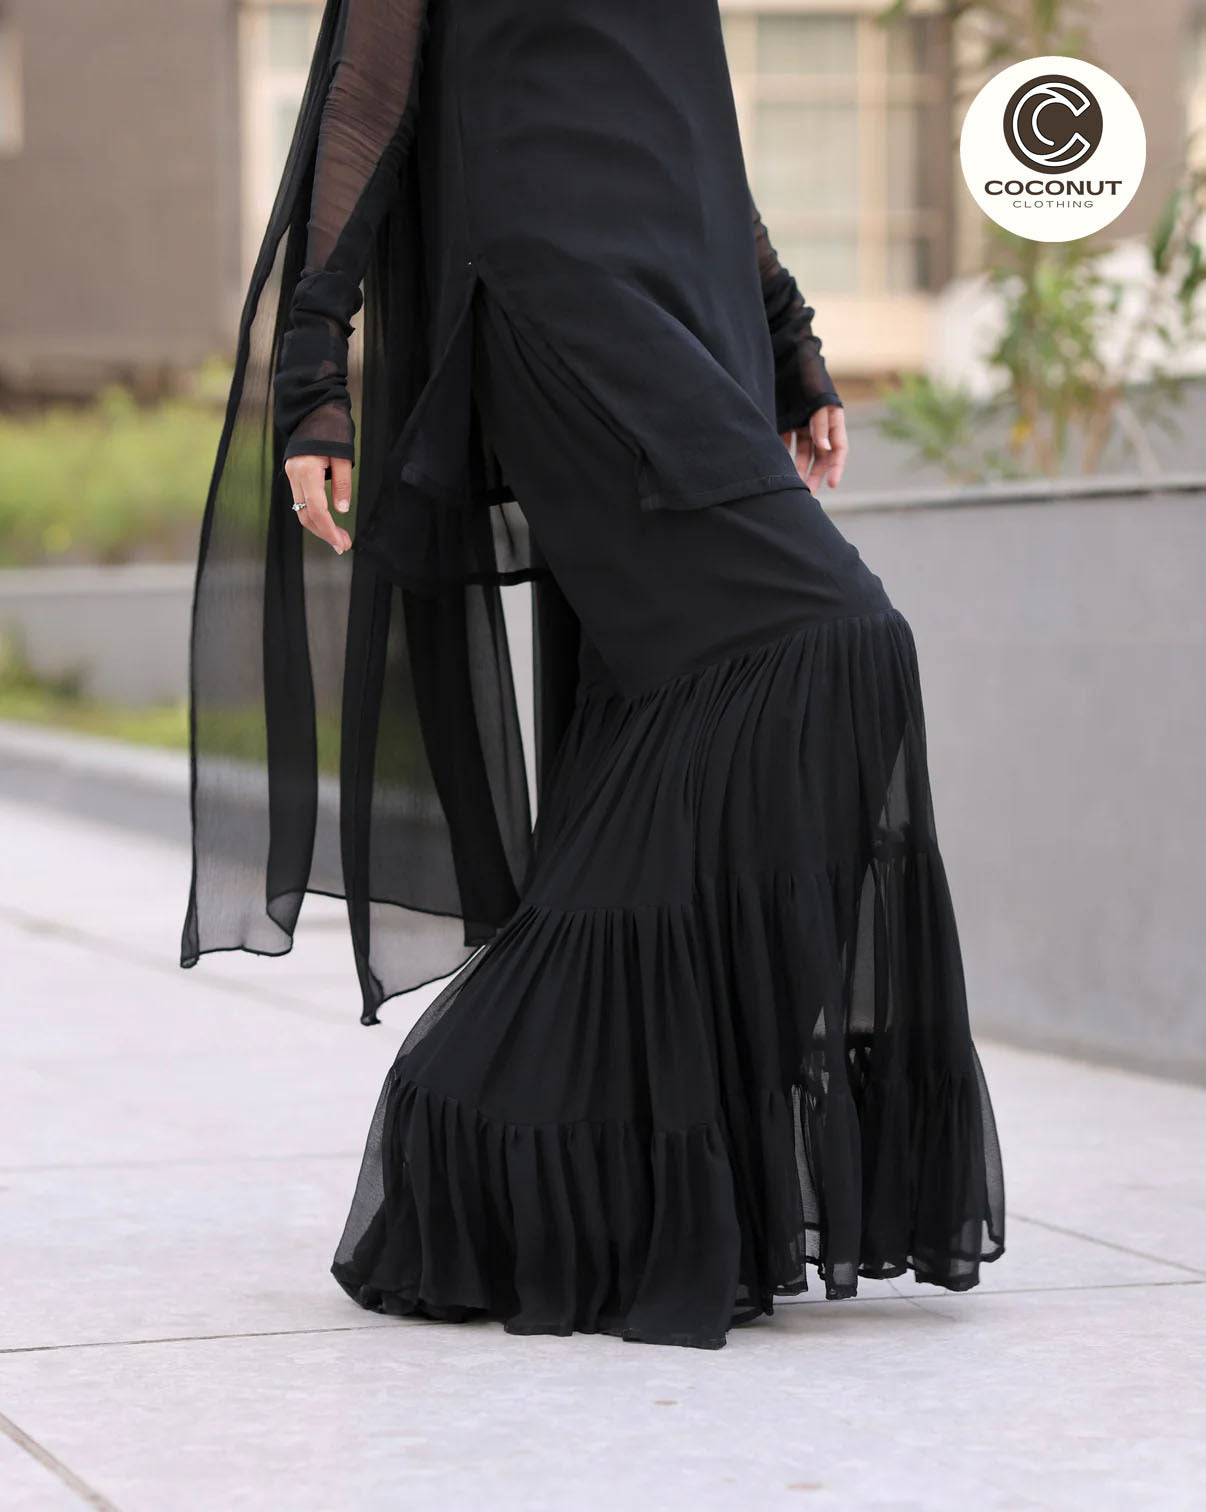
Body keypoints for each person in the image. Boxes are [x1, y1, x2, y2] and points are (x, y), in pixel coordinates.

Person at [180, 0, 1005, 1350]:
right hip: (554, 287)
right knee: (838, 635)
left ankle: (603, 1181)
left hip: (686, 294)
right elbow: (365, 96)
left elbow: (684, 107)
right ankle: (491, 1105)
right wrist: (313, 372)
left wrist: (784, 333)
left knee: (649, 718)